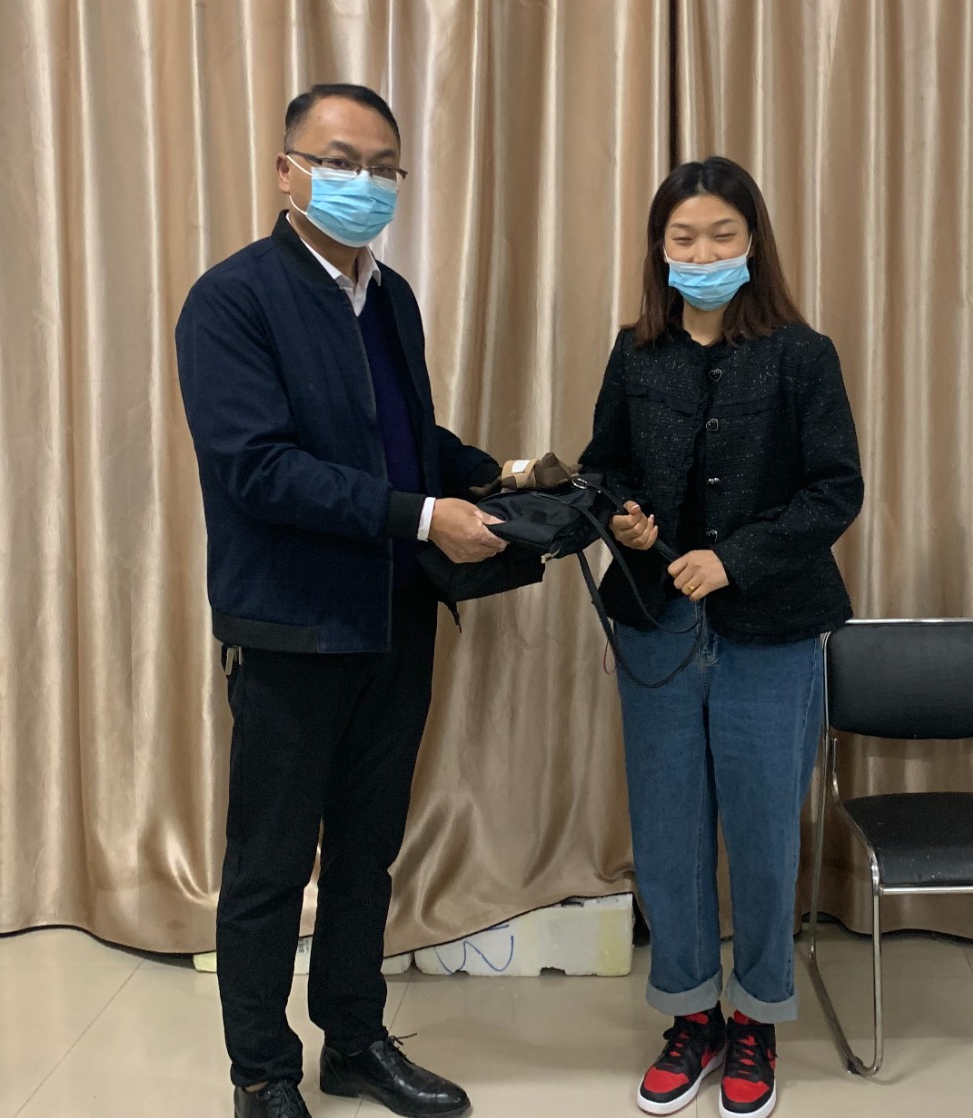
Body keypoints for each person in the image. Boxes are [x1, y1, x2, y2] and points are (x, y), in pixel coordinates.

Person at [175, 83, 506, 1118]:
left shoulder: (390, 298)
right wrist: (423, 515)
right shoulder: (231, 301)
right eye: (339, 160)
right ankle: (262, 1072)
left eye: (382, 166)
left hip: (395, 617)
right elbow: (258, 467)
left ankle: (354, 1040)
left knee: (368, 853)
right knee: (271, 865)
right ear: (287, 171)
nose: (363, 182)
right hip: (291, 626)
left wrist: (497, 474)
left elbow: (396, 439)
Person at [579, 156, 864, 1118]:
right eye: (683, 239)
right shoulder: (636, 352)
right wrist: (625, 518)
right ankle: (690, 1013)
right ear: (660, 250)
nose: (702, 255)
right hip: (656, 628)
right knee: (668, 832)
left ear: (753, 242)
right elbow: (603, 466)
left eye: (721, 236)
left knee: (763, 832)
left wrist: (733, 559)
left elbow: (835, 489)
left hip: (770, 629)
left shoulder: (801, 354)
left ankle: (758, 1018)